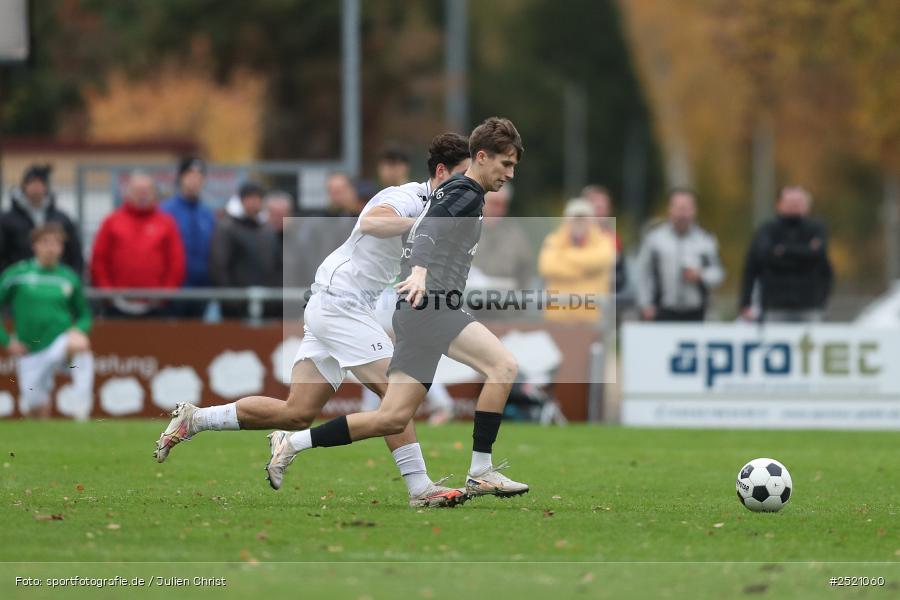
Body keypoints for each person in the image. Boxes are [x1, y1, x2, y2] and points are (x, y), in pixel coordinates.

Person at [153, 132, 473, 508]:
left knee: (297, 412)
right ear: (440, 172)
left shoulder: (439, 212)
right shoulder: (408, 198)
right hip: (341, 304)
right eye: (463, 176)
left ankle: (196, 419)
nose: (467, 188)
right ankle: (420, 489)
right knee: (396, 394)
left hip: (336, 304)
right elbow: (371, 221)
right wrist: (419, 225)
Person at [267, 117, 529, 500]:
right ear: (483, 157)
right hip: (433, 307)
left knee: (391, 417)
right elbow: (428, 229)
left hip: (417, 311)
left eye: (513, 167)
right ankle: (480, 470)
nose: (509, 174)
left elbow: (428, 225)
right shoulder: (467, 191)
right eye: (505, 164)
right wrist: (420, 271)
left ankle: (292, 444)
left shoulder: (457, 191)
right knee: (502, 366)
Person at [0, 224, 93, 419]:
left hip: (60, 341)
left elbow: (84, 314)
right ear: (34, 246)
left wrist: (78, 329)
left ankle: (82, 409)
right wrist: (7, 341)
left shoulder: (68, 277)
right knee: (35, 408)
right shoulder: (17, 275)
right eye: (46, 242)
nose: (51, 248)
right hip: (30, 349)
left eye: (57, 243)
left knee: (81, 345)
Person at [90, 171, 185, 317]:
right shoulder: (112, 222)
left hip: (156, 307)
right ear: (127, 193)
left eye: (146, 190)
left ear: (154, 193)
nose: (142, 195)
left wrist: (164, 295)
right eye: (137, 190)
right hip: (117, 306)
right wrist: (108, 294)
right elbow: (99, 260)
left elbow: (176, 263)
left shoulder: (166, 223)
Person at [740, 185, 833, 323]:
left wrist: (783, 251)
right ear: (779, 204)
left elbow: (821, 259)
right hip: (774, 307)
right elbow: (755, 264)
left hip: (810, 306)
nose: (794, 206)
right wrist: (745, 302)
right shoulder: (766, 229)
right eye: (790, 202)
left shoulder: (817, 228)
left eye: (798, 202)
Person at [635, 188, 724, 321]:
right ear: (669, 209)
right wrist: (645, 304)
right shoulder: (654, 239)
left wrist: (701, 275)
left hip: (697, 312)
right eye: (678, 208)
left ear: (694, 210)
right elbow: (642, 273)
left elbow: (718, 273)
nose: (682, 214)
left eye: (686, 208)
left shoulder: (705, 239)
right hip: (662, 311)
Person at [537, 198, 617, 322]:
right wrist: (585, 269)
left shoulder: (604, 241)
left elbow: (602, 259)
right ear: (567, 221)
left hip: (592, 319)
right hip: (558, 319)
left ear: (591, 221)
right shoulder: (553, 239)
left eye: (583, 218)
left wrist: (564, 257)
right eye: (575, 218)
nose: (579, 222)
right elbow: (547, 266)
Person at [210, 182, 279, 319]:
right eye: (249, 198)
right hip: (236, 305)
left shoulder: (267, 229)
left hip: (266, 303)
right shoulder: (227, 227)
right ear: (242, 200)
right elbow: (219, 266)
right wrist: (232, 298)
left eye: (257, 198)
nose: (254, 202)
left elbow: (276, 264)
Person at [0, 164, 83, 275]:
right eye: (32, 183)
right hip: (19, 282)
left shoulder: (62, 219)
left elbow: (74, 253)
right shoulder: (6, 220)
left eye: (40, 183)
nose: (36, 187)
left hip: (56, 281)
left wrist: (73, 277)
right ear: (24, 185)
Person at [161, 157, 215, 317]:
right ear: (180, 178)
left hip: (202, 292)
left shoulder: (207, 214)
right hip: (173, 292)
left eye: (199, 176)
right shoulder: (165, 212)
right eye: (190, 175)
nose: (194, 180)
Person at [468, 183, 533, 292]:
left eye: (503, 204)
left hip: (505, 303)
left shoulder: (516, 236)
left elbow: (525, 271)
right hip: (470, 303)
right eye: (494, 203)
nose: (499, 209)